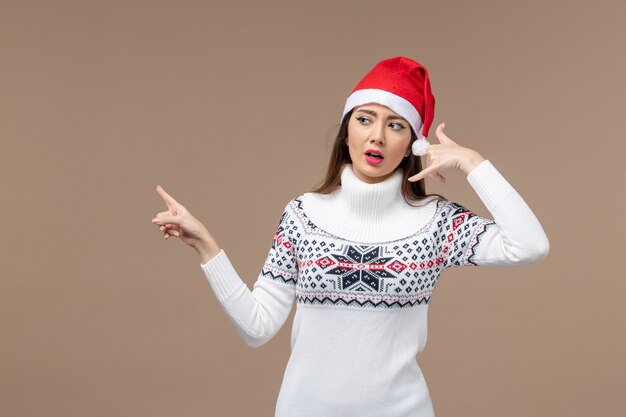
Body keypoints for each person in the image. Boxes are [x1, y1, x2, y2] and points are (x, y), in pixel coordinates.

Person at [151, 57, 550, 417]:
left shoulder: (436, 222)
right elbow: (257, 328)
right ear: (346, 134)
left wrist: (474, 163)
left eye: (395, 125)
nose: (377, 135)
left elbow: (529, 245)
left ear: (412, 144)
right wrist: (205, 244)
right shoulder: (303, 215)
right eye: (365, 119)